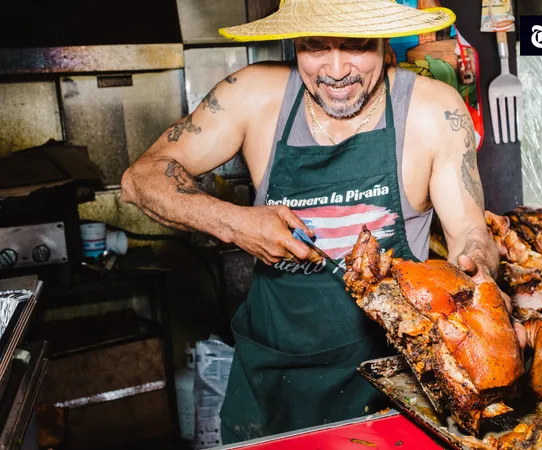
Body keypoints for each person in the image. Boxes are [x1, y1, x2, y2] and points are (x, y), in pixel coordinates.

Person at [121, 0, 515, 444]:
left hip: (397, 385)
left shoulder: (431, 110)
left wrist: (477, 275)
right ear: (294, 42)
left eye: (356, 45)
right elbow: (140, 179)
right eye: (314, 46)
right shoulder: (253, 95)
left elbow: (469, 232)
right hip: (271, 381)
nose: (336, 69)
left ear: (385, 42)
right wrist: (234, 223)